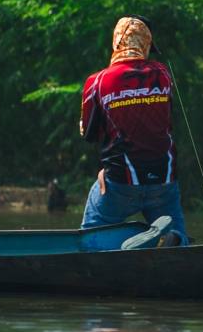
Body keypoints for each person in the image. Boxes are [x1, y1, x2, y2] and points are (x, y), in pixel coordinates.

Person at [79, 16, 187, 247]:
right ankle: (175, 239)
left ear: (117, 42)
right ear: (145, 44)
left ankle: (98, 252)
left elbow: (89, 134)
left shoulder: (96, 82)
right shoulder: (163, 74)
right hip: (164, 179)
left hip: (120, 182)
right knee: (175, 227)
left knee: (93, 227)